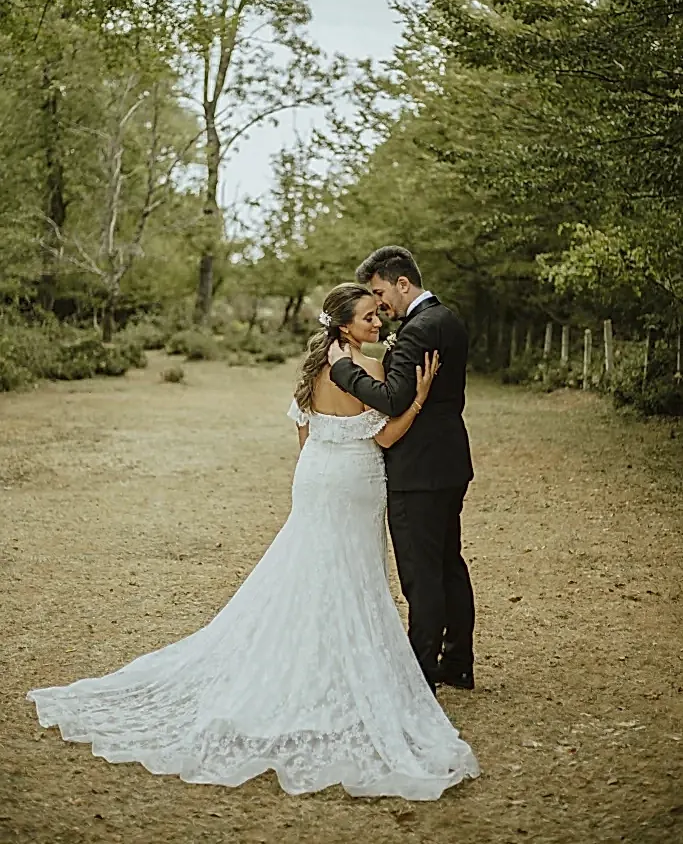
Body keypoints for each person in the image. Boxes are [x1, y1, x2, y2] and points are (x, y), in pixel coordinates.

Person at [27, 283, 479, 801]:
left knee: (308, 570)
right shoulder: (368, 369)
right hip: (355, 480)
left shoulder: (315, 366)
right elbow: (383, 435)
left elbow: (304, 431)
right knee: (351, 575)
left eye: (378, 315)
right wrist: (417, 399)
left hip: (316, 477)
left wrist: (315, 471)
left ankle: (306, 661)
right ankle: (336, 669)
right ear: (344, 324)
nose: (378, 324)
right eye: (368, 318)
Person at [328, 247, 476, 695]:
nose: (379, 304)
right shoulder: (447, 320)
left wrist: (343, 370)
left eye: (379, 292)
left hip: (418, 470)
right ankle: (458, 662)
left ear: (403, 283)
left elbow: (393, 399)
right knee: (448, 563)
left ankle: (421, 674)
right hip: (449, 461)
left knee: (421, 573)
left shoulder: (419, 330)